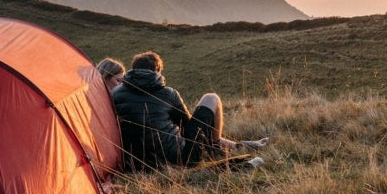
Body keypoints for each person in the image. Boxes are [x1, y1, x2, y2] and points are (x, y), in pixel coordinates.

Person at [110, 50, 268, 171]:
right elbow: (190, 129)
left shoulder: (114, 94)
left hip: (134, 163)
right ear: (158, 71)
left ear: (133, 70)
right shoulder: (168, 93)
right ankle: (216, 145)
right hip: (182, 159)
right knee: (211, 98)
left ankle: (234, 146)